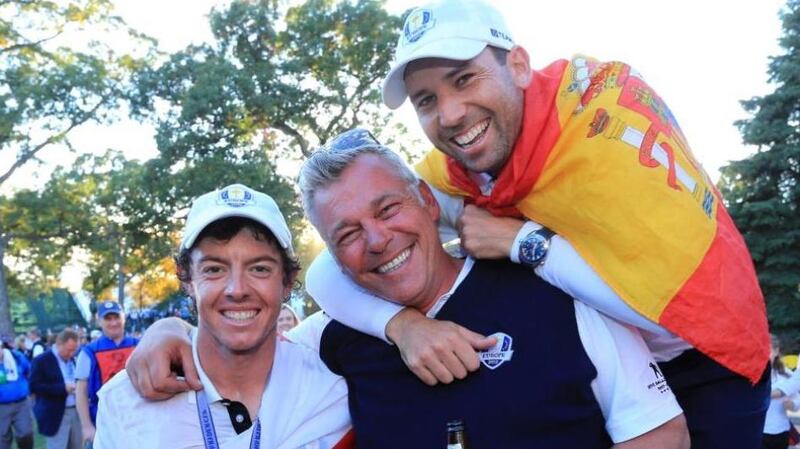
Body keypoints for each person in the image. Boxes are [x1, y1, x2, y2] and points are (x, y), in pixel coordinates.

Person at [301, 0, 770, 446]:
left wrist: (527, 243)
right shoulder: (456, 163)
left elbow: (655, 311)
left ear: (519, 67)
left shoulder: (604, 147)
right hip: (611, 368)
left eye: (464, 79)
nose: (450, 114)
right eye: (427, 100)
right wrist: (403, 326)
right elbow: (328, 270)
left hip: (703, 357)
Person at [127, 149, 690, 448]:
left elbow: (662, 433)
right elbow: (243, 342)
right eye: (346, 234)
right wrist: (171, 331)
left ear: (425, 199)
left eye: (387, 209)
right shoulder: (335, 338)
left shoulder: (556, 295)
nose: (376, 241)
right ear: (331, 254)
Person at [93, 184, 352, 449]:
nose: (237, 290)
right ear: (187, 279)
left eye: (259, 269)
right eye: (214, 269)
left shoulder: (332, 392)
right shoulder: (124, 402)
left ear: (287, 281)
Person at [75, 301, 137, 447]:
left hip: (136, 418)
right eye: (108, 319)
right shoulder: (88, 352)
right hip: (103, 421)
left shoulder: (140, 345)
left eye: (116, 317)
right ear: (99, 321)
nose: (113, 323)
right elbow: (80, 390)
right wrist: (86, 426)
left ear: (124, 318)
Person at [30, 329, 81, 449]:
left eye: (74, 350)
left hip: (76, 412)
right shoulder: (41, 360)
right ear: (59, 344)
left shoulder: (73, 359)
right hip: (55, 414)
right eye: (69, 350)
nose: (72, 353)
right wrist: (62, 388)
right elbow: (34, 386)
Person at [0, 338, 33, 449]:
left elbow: (29, 371)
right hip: (1, 407)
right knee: (2, 440)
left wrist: (29, 388)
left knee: (26, 433)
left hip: (21, 403)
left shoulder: (16, 357)